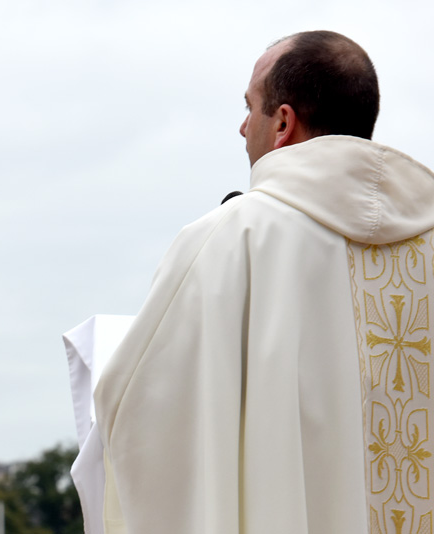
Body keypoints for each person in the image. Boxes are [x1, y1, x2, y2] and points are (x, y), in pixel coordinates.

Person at [91, 31, 434, 533]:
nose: (241, 126)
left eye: (249, 106)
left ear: (283, 122)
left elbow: (141, 413)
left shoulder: (232, 238)